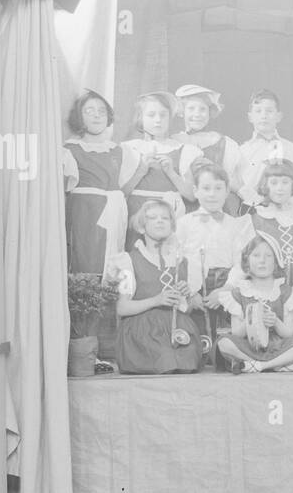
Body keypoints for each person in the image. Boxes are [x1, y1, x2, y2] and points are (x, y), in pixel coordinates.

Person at [110, 201, 203, 374]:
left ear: (172, 226)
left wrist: (186, 298)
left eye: (165, 218)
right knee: (166, 359)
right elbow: (122, 308)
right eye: (152, 217)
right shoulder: (129, 261)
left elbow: (188, 308)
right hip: (142, 331)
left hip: (177, 328)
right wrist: (156, 300)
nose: (160, 221)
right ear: (142, 227)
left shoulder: (182, 262)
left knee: (188, 361)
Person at [175, 160, 253, 357]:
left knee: (225, 343)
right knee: (194, 344)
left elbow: (242, 263)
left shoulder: (237, 225)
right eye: (206, 188)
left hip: (225, 288)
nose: (212, 194)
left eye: (218, 188)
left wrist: (225, 291)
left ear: (227, 191)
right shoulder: (183, 223)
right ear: (195, 191)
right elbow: (177, 261)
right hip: (194, 291)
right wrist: (191, 293)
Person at [218, 234, 293, 373]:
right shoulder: (239, 293)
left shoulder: (286, 292)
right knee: (224, 343)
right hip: (250, 346)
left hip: (280, 346)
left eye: (268, 256)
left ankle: (259, 366)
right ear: (247, 262)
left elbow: (288, 333)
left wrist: (276, 322)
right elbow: (236, 333)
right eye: (256, 255)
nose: (262, 261)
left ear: (276, 262)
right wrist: (252, 320)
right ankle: (281, 365)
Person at [245, 159, 293, 334]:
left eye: (285, 182)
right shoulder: (256, 217)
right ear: (265, 186)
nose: (279, 188)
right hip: (268, 289)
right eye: (274, 183)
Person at [62, 90, 132, 274]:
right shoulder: (70, 150)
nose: (96, 115)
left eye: (102, 111)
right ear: (79, 116)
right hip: (85, 213)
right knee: (87, 258)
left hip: (114, 212)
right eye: (89, 111)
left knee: (112, 259)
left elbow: (125, 186)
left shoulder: (118, 151)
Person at [118, 91, 199, 247]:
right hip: (137, 213)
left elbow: (191, 196)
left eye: (163, 115)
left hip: (169, 214)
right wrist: (141, 170)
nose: (158, 120)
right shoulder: (129, 149)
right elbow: (121, 193)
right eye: (151, 115)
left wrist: (171, 173)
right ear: (140, 118)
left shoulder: (183, 149)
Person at [228, 88, 293, 210]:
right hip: (251, 210)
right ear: (250, 117)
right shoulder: (241, 151)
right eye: (258, 111)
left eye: (269, 111)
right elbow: (237, 185)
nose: (264, 116)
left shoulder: (291, 149)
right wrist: (255, 201)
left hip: (286, 211)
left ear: (279, 116)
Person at [171, 84, 242, 214]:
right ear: (182, 112)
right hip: (182, 211)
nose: (197, 114)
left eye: (202, 109)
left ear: (210, 112)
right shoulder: (173, 142)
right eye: (191, 108)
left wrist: (215, 169)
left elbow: (235, 184)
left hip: (217, 210)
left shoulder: (224, 143)